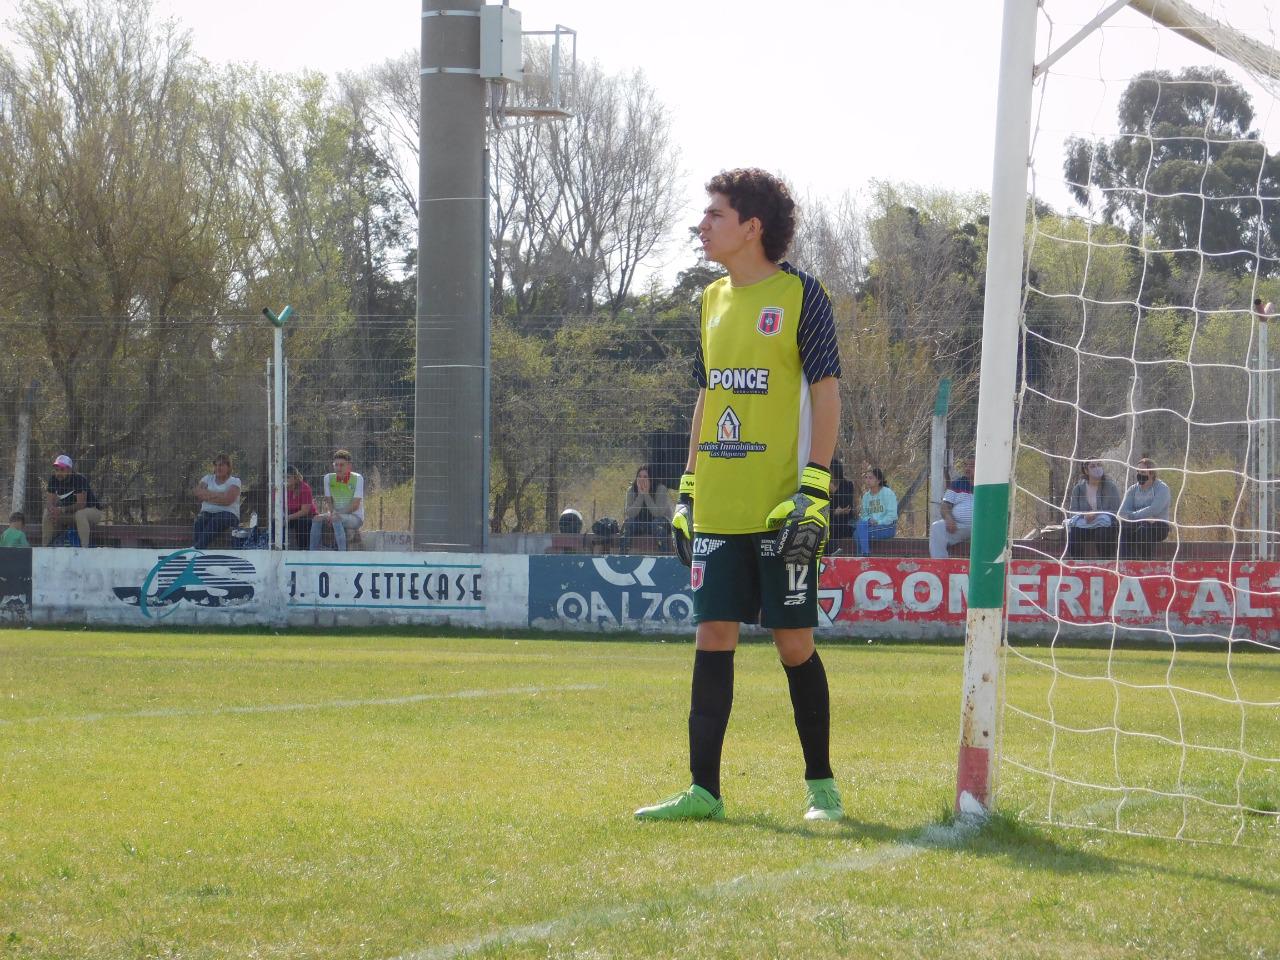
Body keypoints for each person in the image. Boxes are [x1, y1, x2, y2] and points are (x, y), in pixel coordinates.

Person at [635, 168, 844, 823]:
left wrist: (815, 486)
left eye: (715, 214)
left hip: (782, 507)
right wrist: (689, 487)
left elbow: (826, 392)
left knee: (793, 644)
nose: (703, 224)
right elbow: (709, 395)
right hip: (719, 507)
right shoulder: (709, 301)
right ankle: (704, 791)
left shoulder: (803, 296)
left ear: (752, 227)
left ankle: (822, 789)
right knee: (713, 633)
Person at [1064, 457, 1122, 560]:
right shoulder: (1078, 488)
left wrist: (1097, 514)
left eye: (1099, 465)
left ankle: (1105, 563)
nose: (1097, 468)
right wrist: (1084, 515)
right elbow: (1073, 511)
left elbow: (1116, 510)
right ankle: (1077, 564)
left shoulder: (1111, 486)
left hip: (1105, 525)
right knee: (1074, 534)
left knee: (1103, 534)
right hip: (1085, 524)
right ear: (1086, 471)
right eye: (1093, 466)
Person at [43, 454, 105, 547]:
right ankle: (45, 548)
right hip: (70, 515)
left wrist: (61, 510)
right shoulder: (53, 480)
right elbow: (49, 502)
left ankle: (85, 549)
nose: (58, 473)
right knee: (47, 513)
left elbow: (81, 505)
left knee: (80, 514)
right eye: (56, 470)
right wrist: (52, 509)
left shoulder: (79, 479)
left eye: (62, 469)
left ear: (70, 470)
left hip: (93, 512)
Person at [310, 449, 364, 551]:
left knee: (336, 519)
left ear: (349, 466)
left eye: (342, 465)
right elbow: (328, 501)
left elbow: (355, 505)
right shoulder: (328, 478)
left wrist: (336, 514)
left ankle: (341, 553)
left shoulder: (358, 478)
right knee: (316, 518)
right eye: (336, 465)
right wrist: (332, 513)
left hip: (355, 517)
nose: (338, 468)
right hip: (334, 514)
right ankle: (313, 552)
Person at [1118, 457, 1172, 559]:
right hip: (1137, 523)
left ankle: (1146, 563)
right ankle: (1126, 562)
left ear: (1151, 473)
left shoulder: (1162, 488)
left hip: (1158, 526)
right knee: (1122, 528)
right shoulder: (1133, 489)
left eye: (1142, 472)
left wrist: (1133, 516)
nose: (1139, 474)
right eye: (1138, 471)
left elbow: (1154, 509)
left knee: (1143, 529)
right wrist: (1141, 517)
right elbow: (1122, 512)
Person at [192, 453, 242, 549]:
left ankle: (197, 549)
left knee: (217, 519)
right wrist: (221, 495)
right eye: (216, 465)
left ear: (228, 467)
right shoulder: (207, 478)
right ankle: (199, 553)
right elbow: (198, 494)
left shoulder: (235, 481)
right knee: (200, 521)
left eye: (222, 465)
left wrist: (208, 495)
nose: (218, 468)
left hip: (228, 515)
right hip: (207, 513)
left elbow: (228, 500)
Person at [929, 456, 974, 559]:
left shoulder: (987, 486)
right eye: (965, 465)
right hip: (958, 527)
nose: (967, 468)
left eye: (971, 466)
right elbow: (945, 505)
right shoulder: (957, 484)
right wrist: (948, 518)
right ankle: (940, 566)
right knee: (937, 527)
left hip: (982, 528)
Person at [621, 465, 672, 552]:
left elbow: (658, 513)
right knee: (628, 524)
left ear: (651, 479)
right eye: (639, 477)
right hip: (640, 523)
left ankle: (665, 554)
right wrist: (640, 495)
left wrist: (646, 494)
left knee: (657, 524)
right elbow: (629, 513)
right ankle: (623, 555)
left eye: (645, 477)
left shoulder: (660, 489)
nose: (642, 479)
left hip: (660, 523)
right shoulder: (632, 490)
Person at [855, 466, 898, 556]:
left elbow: (892, 515)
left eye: (871, 478)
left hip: (887, 527)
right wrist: (869, 520)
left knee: (857, 533)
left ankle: (864, 557)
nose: (867, 480)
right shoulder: (866, 496)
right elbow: (864, 515)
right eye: (866, 477)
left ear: (878, 481)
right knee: (860, 526)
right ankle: (864, 556)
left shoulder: (887, 493)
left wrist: (878, 522)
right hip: (871, 527)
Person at [826, 458, 855, 553]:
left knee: (835, 525)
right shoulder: (824, 485)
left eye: (828, 470)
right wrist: (834, 512)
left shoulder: (848, 485)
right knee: (829, 525)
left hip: (845, 522)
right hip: (830, 518)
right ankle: (831, 552)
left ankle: (834, 551)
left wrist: (834, 491)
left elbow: (847, 506)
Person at [285, 465, 316, 549]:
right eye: (283, 477)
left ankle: (303, 550)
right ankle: (278, 548)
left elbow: (305, 511)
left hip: (307, 515)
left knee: (302, 522)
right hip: (291, 514)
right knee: (275, 522)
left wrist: (287, 517)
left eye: (288, 477)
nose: (285, 480)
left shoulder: (304, 488)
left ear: (295, 478)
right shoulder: (281, 489)